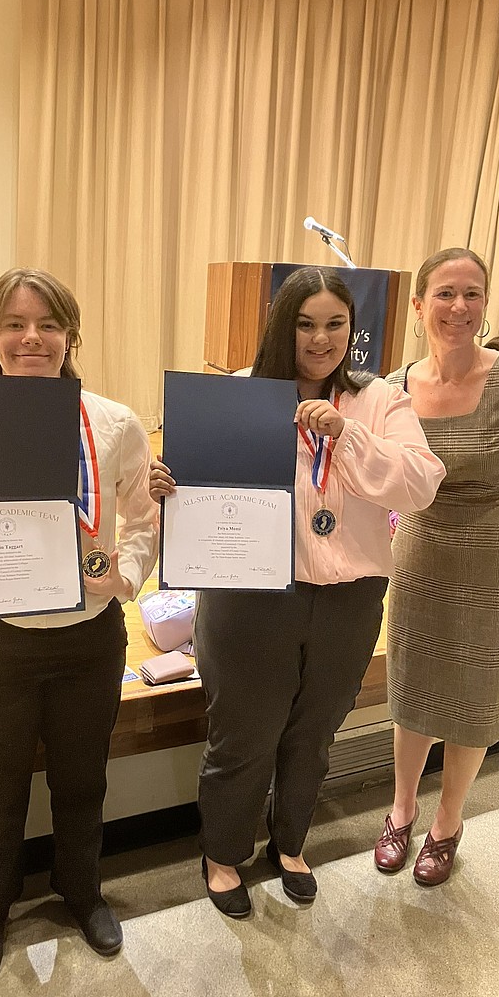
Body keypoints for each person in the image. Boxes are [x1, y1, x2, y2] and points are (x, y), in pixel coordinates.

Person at [150, 266, 446, 916]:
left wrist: (348, 435)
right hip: (252, 594)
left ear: (352, 328)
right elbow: (195, 486)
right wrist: (170, 487)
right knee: (243, 734)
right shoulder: (237, 395)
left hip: (350, 594)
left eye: (335, 323)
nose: (320, 339)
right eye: (305, 323)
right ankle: (223, 853)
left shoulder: (376, 400)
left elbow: (421, 483)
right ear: (283, 325)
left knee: (314, 733)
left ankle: (289, 844)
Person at [0, 268, 158, 977]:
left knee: (83, 779)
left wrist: (125, 576)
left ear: (70, 334)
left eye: (48, 324)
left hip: (89, 636)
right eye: (14, 323)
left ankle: (81, 891)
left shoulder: (112, 422)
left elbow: (144, 516)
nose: (31, 338)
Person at [375, 247, 499, 886]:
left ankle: (447, 821)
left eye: (473, 293)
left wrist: (493, 524)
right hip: (421, 553)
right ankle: (401, 809)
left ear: (485, 303)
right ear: (421, 305)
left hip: (494, 559)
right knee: (413, 685)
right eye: (446, 293)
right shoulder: (397, 385)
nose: (460, 307)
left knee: (476, 690)